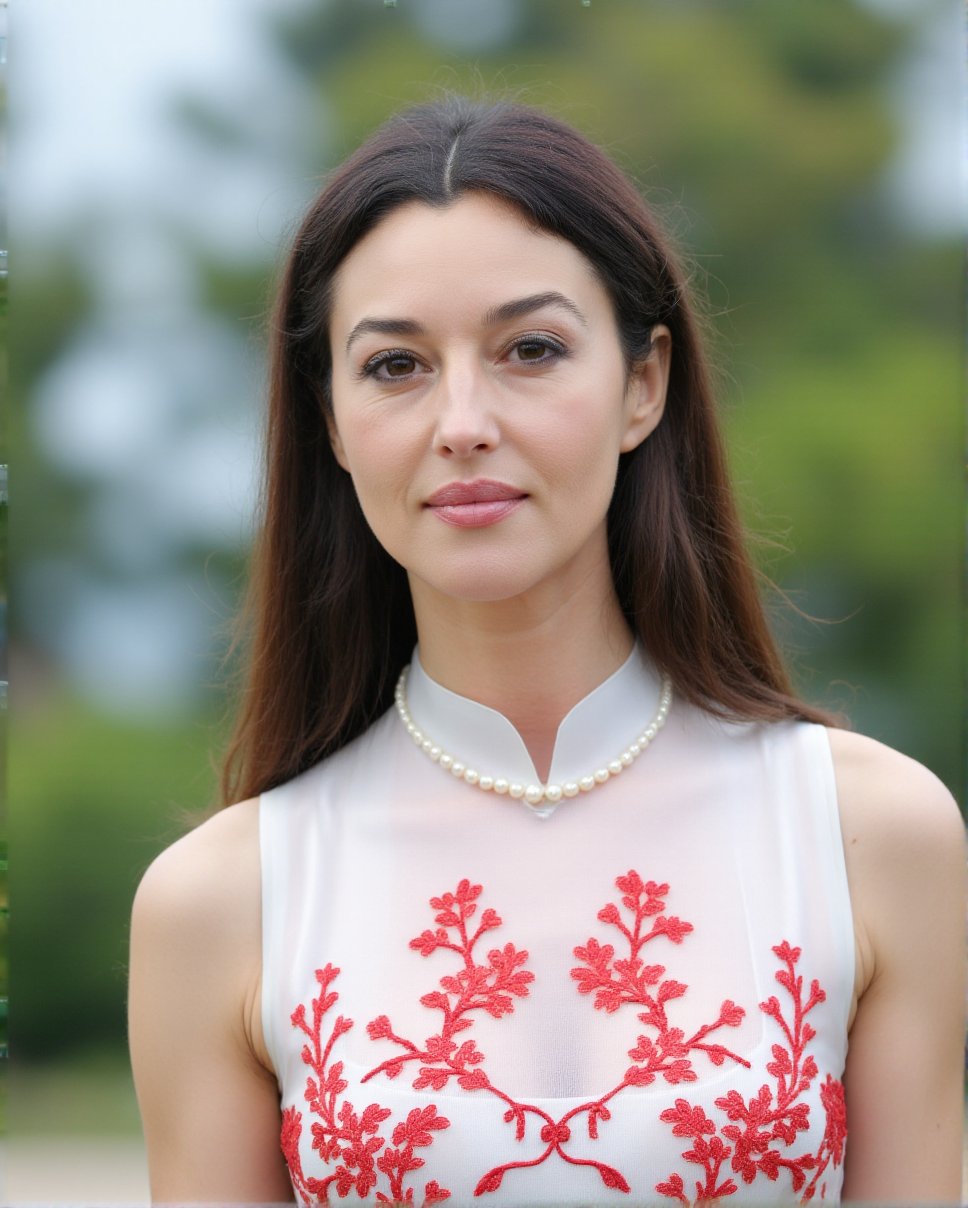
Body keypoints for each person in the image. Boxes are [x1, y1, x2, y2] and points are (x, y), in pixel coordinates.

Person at [128, 96, 965, 1206]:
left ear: (641, 383)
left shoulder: (868, 835)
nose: (462, 419)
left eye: (529, 349)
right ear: (328, 420)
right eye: (393, 366)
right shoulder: (221, 900)